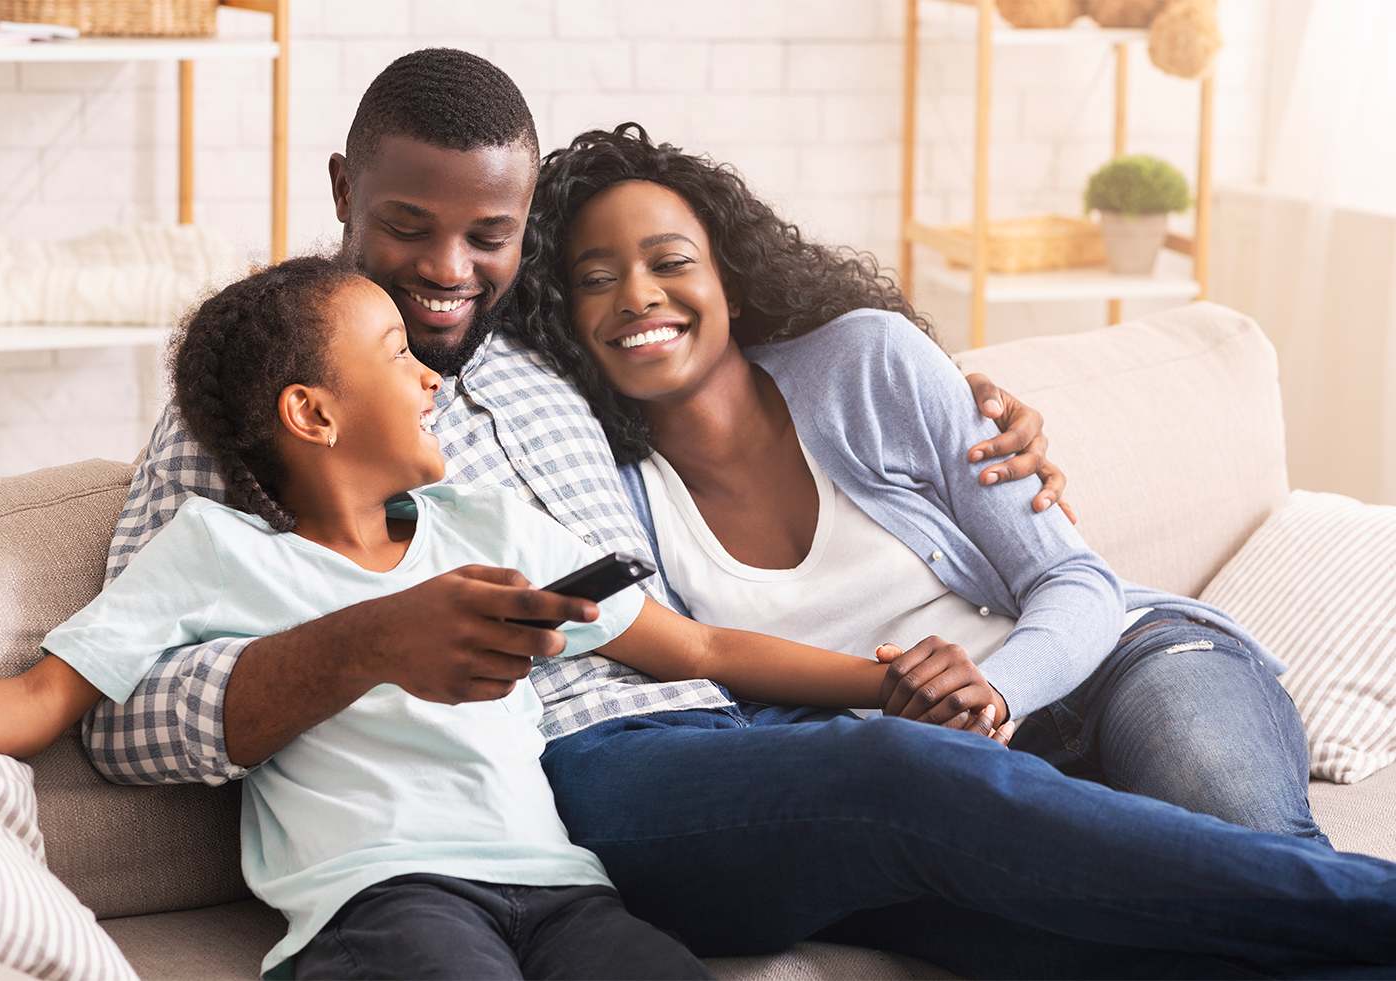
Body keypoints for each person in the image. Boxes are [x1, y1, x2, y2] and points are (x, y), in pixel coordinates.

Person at [75, 49, 1396, 979]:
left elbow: (731, 348)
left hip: (740, 742)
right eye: (405, 227)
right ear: (339, 191)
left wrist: (977, 398)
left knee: (1061, 933)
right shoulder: (252, 408)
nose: (445, 272)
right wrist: (365, 640)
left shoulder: (562, 374)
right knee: (908, 772)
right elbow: (121, 720)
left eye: (488, 236)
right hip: (566, 793)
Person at [0, 256, 972, 978]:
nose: (432, 378)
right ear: (313, 415)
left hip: (564, 889)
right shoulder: (216, 552)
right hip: (382, 899)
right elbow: (45, 700)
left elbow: (700, 646)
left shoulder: (485, 525)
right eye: (395, 355)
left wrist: (884, 681)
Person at [512, 123, 1320, 842]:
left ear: (726, 272)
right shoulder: (614, 491)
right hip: (930, 775)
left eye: (670, 261)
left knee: (1265, 859)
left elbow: (1075, 578)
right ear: (561, 311)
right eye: (594, 278)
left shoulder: (868, 364)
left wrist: (992, 694)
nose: (639, 295)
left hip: (1117, 670)